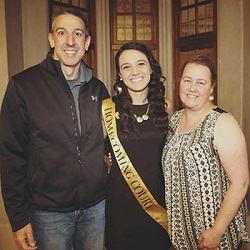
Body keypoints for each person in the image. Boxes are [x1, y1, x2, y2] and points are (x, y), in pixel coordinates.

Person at [0, 7, 110, 250]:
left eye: (78, 34)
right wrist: (18, 219)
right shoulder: (23, 86)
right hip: (48, 214)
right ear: (51, 39)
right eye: (62, 33)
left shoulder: (99, 89)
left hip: (95, 209)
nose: (70, 41)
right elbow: (10, 156)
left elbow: (111, 142)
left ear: (87, 42)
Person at [162, 54, 249, 250]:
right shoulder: (174, 120)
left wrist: (216, 232)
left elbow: (241, 183)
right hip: (180, 236)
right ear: (179, 83)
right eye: (187, 80)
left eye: (201, 82)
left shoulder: (223, 122)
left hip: (214, 238)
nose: (192, 88)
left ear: (211, 88)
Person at [102, 42, 172, 250]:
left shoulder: (165, 106)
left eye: (141, 64)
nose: (135, 72)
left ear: (151, 68)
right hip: (120, 205)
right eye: (126, 67)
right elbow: (95, 152)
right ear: (120, 75)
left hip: (157, 204)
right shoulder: (106, 108)